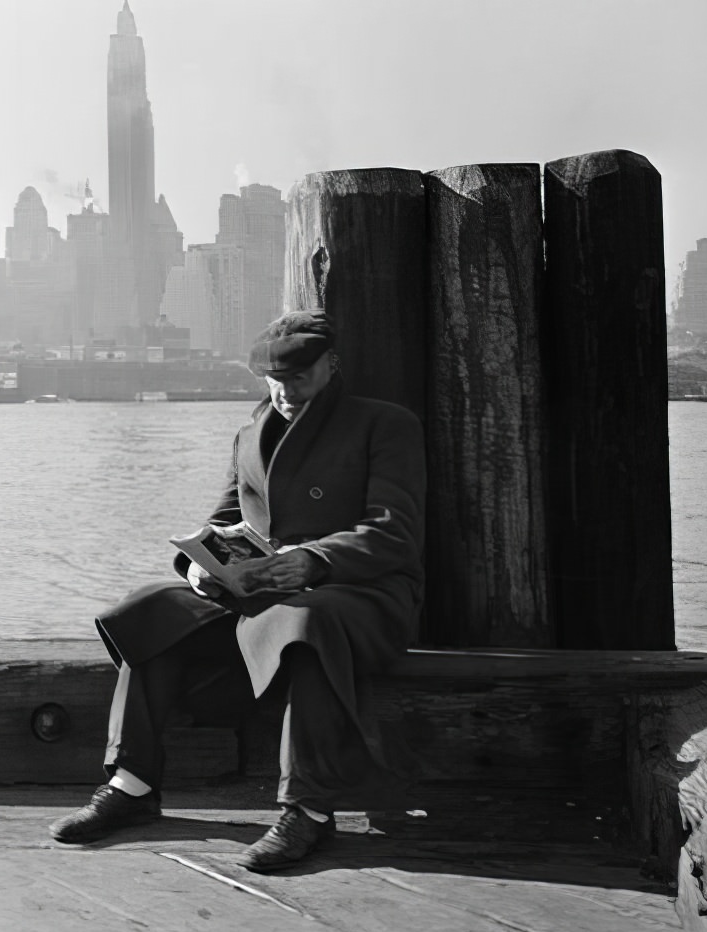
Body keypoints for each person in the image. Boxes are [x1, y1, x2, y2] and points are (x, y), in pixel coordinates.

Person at [50, 309, 426, 872]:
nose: (285, 391)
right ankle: (131, 785)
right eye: (274, 380)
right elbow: (226, 519)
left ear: (333, 365)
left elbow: (393, 529)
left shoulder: (384, 424)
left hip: (358, 595)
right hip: (260, 593)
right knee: (151, 611)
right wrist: (199, 566)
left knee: (305, 624)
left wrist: (313, 560)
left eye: (298, 376)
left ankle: (308, 810)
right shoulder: (249, 434)